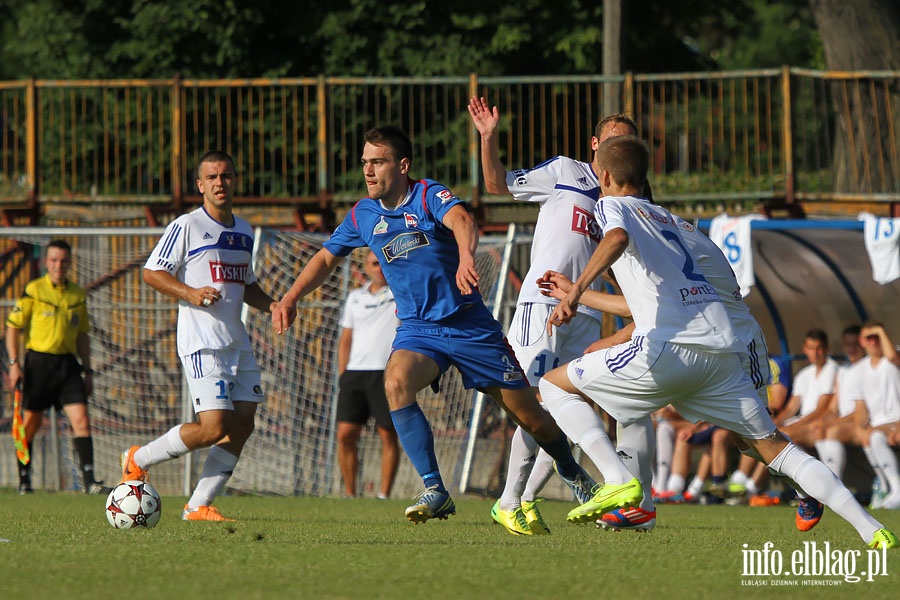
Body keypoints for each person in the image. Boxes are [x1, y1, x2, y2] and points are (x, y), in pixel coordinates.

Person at [537, 134, 896, 549]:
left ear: (603, 174)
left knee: (551, 385)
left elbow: (615, 239)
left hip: (670, 348)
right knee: (772, 446)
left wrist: (576, 291)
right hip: (719, 353)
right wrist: (579, 291)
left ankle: (618, 482)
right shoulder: (678, 225)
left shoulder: (611, 204)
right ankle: (872, 528)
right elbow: (687, 289)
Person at [270, 125, 594, 524]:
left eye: (378, 162)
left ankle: (572, 470)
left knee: (531, 418)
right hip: (418, 330)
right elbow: (324, 259)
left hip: (470, 328)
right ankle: (435, 489)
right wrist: (290, 297)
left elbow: (462, 220)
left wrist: (465, 257)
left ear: (403, 165)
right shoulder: (363, 214)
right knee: (396, 381)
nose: (368, 171)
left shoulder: (426, 195)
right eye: (365, 163)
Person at [468, 96, 640, 535]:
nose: (620, 150)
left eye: (628, 143)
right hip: (543, 302)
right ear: (595, 145)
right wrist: (488, 137)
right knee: (534, 402)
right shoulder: (566, 171)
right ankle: (521, 497)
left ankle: (520, 500)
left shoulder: (624, 200)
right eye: (613, 141)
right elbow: (495, 184)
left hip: (584, 311)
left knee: (567, 403)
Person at [120, 150, 278, 522]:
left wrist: (274, 306)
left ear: (235, 181)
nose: (220, 183)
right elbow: (152, 272)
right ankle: (137, 458)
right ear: (200, 185)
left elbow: (247, 285)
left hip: (237, 341)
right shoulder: (187, 225)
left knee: (243, 423)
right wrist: (190, 293)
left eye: (226, 176)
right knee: (213, 427)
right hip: (203, 342)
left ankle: (198, 505)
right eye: (212, 177)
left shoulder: (243, 231)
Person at [5, 239, 110, 495]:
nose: (58, 265)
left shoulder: (77, 294)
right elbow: (13, 327)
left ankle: (89, 482)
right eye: (53, 260)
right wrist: (14, 363)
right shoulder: (34, 290)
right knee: (30, 423)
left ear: (70, 263)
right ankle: (24, 480)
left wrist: (87, 370)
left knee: (81, 420)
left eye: (63, 261)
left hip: (67, 365)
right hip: (38, 363)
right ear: (45, 262)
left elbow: (83, 334)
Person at [336, 250, 400, 499]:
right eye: (375, 263)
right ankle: (351, 494)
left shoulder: (400, 294)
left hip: (384, 373)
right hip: (354, 375)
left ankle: (384, 495)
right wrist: (343, 374)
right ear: (366, 267)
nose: (380, 268)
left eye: (383, 263)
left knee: (387, 433)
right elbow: (346, 340)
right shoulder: (355, 297)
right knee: (345, 434)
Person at [850, 322, 900, 509]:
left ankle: (895, 490)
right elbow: (860, 408)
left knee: (875, 436)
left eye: (875, 337)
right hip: (881, 426)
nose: (871, 341)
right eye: (867, 337)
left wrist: (879, 329)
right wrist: (861, 430)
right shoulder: (858, 370)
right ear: (861, 341)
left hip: (897, 421)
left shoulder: (893, 358)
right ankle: (887, 487)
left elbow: (893, 356)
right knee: (872, 437)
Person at [815, 325, 866, 480]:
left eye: (855, 345)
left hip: (860, 423)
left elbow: (864, 410)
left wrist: (836, 422)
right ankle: (824, 481)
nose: (851, 349)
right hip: (844, 422)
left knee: (832, 431)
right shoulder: (843, 370)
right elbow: (833, 405)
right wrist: (826, 418)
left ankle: (835, 481)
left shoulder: (867, 368)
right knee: (818, 429)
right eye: (847, 344)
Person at [773, 329, 838, 447]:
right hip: (803, 421)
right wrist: (773, 425)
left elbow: (820, 410)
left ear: (827, 349)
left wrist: (792, 426)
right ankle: (742, 467)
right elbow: (791, 409)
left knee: (782, 436)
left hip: (816, 424)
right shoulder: (803, 374)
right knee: (764, 436)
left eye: (819, 348)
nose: (815, 353)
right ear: (805, 349)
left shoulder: (832, 369)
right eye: (811, 348)